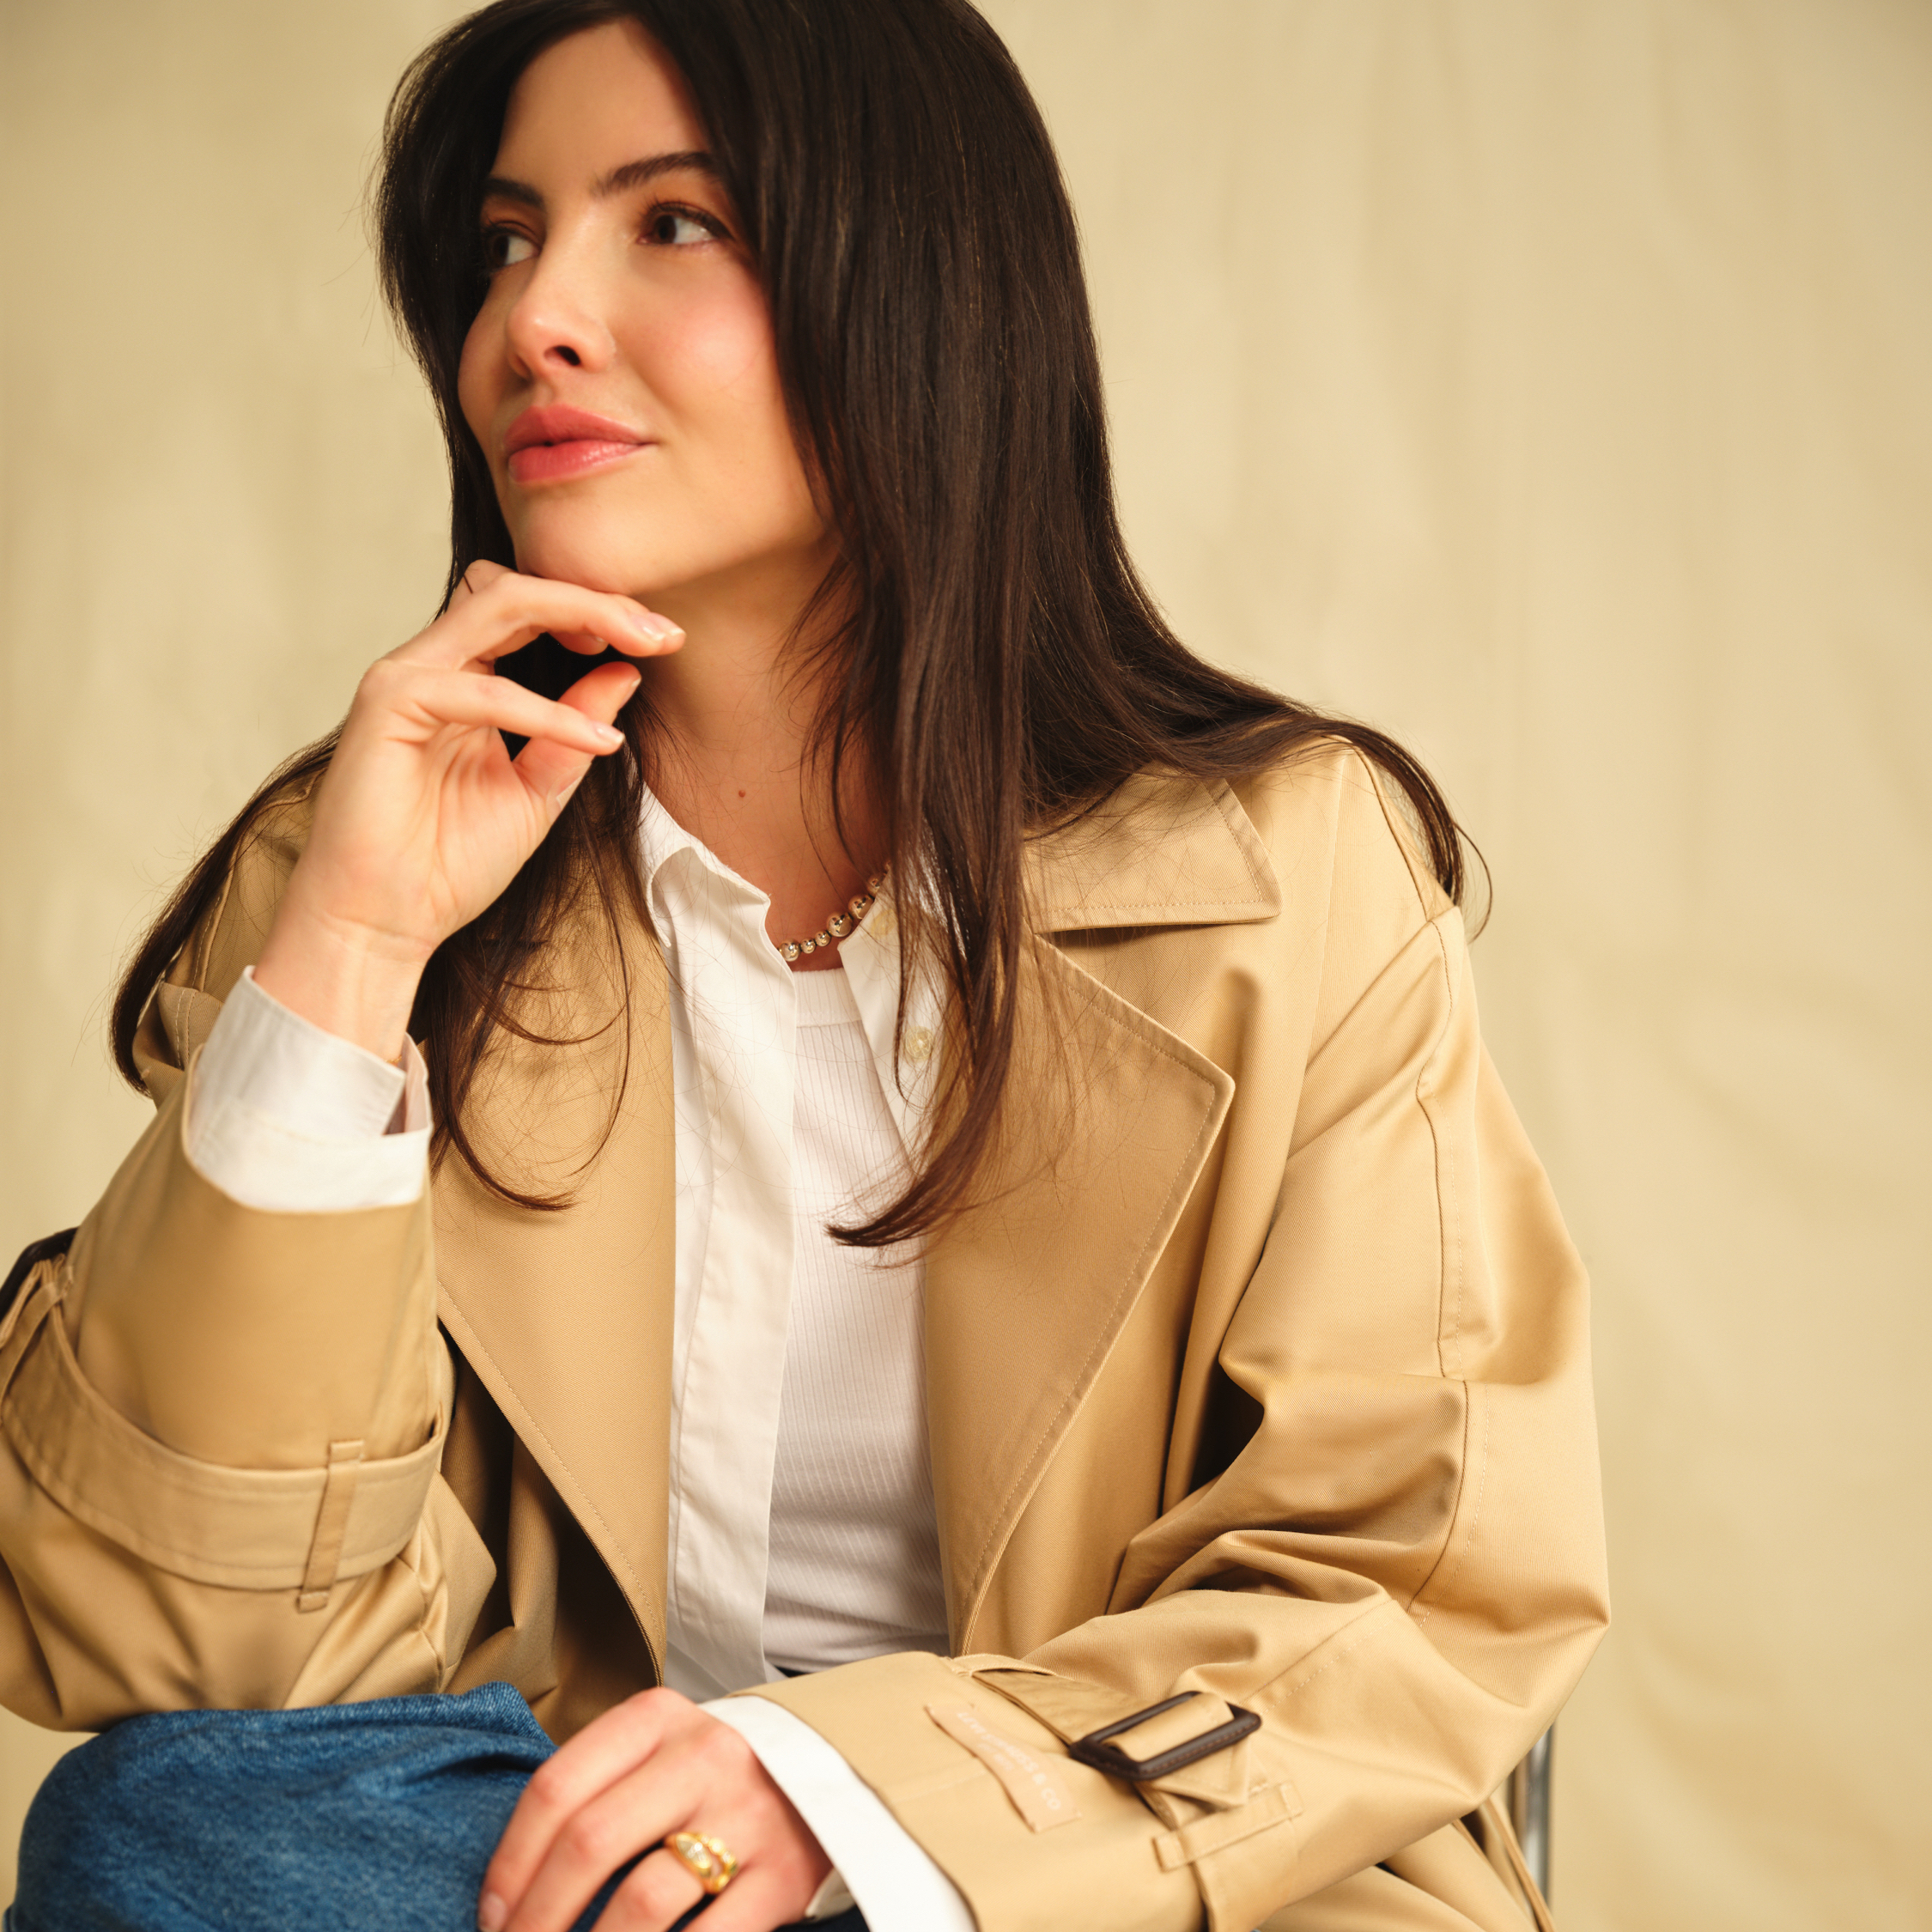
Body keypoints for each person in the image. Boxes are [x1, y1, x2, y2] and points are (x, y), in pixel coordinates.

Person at [0, 2, 1607, 1929]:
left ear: (920, 291)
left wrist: (857, 1799)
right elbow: (182, 1649)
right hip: (563, 1886)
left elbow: (1417, 1580)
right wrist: (345, 958)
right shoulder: (364, 870)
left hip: (1112, 1884)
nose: (534, 322)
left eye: (669, 222)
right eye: (506, 241)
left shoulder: (1286, 873)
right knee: (163, 1827)